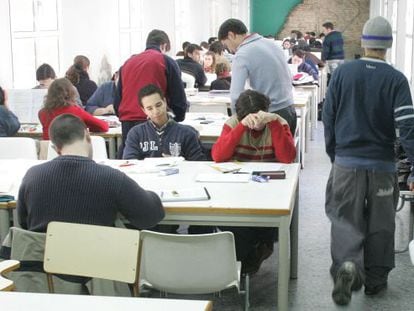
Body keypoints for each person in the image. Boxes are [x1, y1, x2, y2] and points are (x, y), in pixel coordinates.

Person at [323, 16, 414, 306]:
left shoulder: (343, 73)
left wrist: (334, 154)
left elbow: (329, 116)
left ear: (363, 42)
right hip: (383, 167)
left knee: (344, 218)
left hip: (347, 163)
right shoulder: (397, 80)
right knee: (381, 223)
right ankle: (375, 280)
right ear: (388, 46)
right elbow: (407, 126)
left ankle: (347, 265)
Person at [17, 113, 164, 232]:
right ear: (87, 136)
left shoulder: (32, 176)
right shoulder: (110, 178)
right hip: (95, 265)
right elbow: (150, 216)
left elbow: (23, 223)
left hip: (41, 264)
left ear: (55, 149)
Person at [212, 90, 296, 274]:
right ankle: (248, 254)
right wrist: (241, 126)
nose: (256, 123)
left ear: (265, 111)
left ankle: (256, 250)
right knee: (233, 221)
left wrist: (272, 123)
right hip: (237, 185)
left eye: (259, 116)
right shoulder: (233, 123)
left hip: (270, 185)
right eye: (251, 118)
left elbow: (287, 158)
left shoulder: (277, 122)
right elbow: (218, 156)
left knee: (266, 219)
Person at [218, 18, 297, 135]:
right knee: (287, 152)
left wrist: (236, 123)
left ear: (231, 35)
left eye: (226, 45)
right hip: (289, 110)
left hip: (269, 117)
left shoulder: (242, 53)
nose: (229, 50)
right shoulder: (272, 44)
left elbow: (236, 95)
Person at [115, 29, 187, 156]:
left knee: (131, 163)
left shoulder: (127, 63)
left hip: (128, 122)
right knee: (156, 163)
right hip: (154, 120)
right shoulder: (165, 61)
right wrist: (178, 118)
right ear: (164, 46)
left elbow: (117, 98)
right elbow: (178, 97)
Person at [123, 84, 205, 161]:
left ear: (165, 102)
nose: (156, 111)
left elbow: (198, 164)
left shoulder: (187, 133)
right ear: (144, 110)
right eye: (149, 108)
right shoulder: (136, 133)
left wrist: (179, 163)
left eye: (158, 105)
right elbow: (129, 163)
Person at [38, 78, 108, 140]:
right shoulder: (76, 111)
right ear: (71, 93)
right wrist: (90, 127)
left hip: (49, 152)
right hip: (71, 150)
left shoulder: (42, 113)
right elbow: (103, 126)